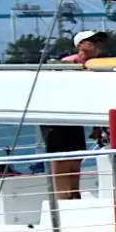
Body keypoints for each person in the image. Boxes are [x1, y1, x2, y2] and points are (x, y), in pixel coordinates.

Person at [43, 30, 110, 199]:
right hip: (58, 117)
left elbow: (96, 96)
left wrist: (97, 125)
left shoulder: (97, 66)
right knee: (61, 158)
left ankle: (74, 193)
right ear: (80, 45)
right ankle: (62, 197)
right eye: (93, 40)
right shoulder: (67, 64)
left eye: (99, 41)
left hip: (76, 116)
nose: (97, 44)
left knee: (76, 156)